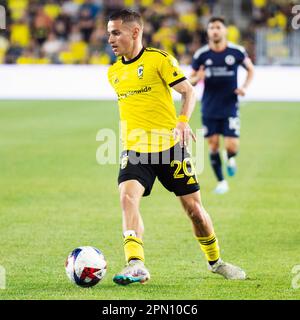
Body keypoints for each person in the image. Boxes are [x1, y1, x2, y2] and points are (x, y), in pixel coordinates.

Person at [107, 9, 246, 286]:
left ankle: (215, 261)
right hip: (134, 149)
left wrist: (182, 122)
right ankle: (135, 263)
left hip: (170, 148)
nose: (110, 38)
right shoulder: (113, 72)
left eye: (115, 32)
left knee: (194, 210)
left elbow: (188, 91)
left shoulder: (159, 60)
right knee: (127, 197)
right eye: (109, 32)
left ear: (135, 32)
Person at [190, 17, 254, 194]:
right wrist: (198, 78)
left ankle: (230, 157)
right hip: (209, 107)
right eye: (211, 28)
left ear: (225, 30)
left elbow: (251, 69)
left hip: (230, 106)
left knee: (232, 145)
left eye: (218, 27)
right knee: (213, 145)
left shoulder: (236, 51)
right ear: (208, 32)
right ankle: (221, 182)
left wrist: (244, 87)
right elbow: (190, 81)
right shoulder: (201, 55)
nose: (215, 31)